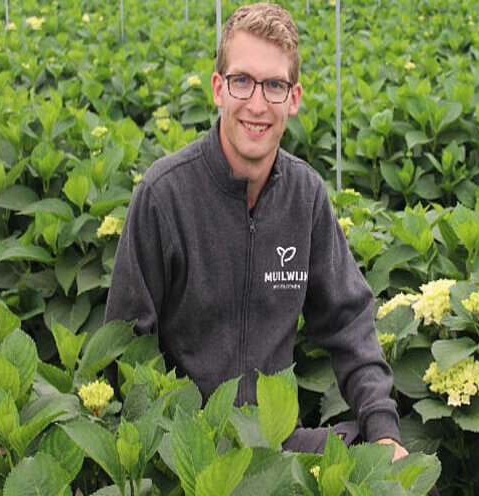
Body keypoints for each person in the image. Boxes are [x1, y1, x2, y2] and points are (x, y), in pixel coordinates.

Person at [104, 2, 407, 461]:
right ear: (218, 89)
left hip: (276, 446)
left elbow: (349, 321)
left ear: (295, 97)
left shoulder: (305, 196)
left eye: (274, 85)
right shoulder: (164, 197)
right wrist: (168, 442)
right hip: (188, 451)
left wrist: (384, 431)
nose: (258, 103)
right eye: (242, 81)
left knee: (402, 478)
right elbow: (125, 349)